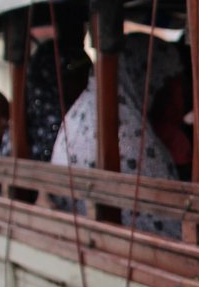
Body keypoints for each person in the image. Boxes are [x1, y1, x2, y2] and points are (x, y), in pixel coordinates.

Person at [51, 33, 183, 239]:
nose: (167, 92)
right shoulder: (126, 131)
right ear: (143, 76)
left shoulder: (84, 108)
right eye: (162, 81)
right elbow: (170, 226)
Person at [25, 39, 92, 163]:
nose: (88, 82)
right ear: (54, 79)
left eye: (90, 73)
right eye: (78, 76)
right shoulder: (31, 121)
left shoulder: (89, 112)